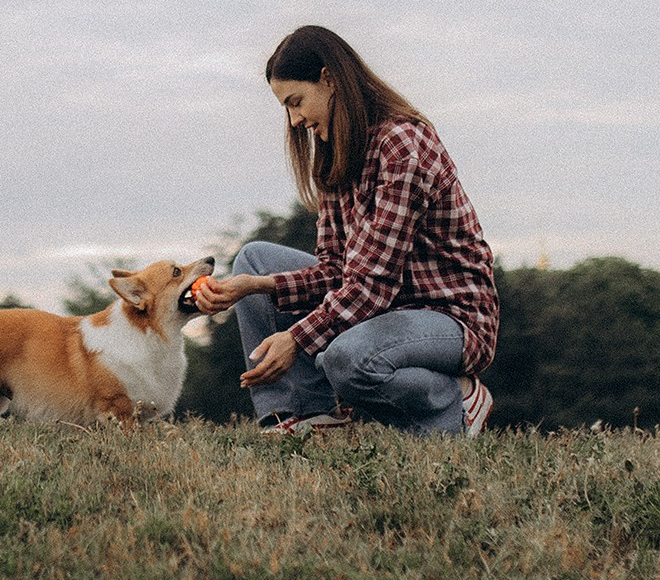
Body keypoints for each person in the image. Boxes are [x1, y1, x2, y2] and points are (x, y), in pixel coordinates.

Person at [193, 26, 499, 435]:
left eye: (296, 102)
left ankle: (455, 404)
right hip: (386, 310)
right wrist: (255, 286)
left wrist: (297, 339)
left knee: (345, 359)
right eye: (286, 108)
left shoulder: (402, 145)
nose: (295, 119)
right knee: (254, 259)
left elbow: (371, 287)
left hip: (449, 316)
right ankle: (304, 419)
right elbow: (337, 271)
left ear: (329, 79)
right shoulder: (336, 154)